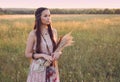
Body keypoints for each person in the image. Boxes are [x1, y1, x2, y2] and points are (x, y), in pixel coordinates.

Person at [25, 7, 62, 82]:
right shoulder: (33, 34)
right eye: (45, 16)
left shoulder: (54, 32)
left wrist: (58, 53)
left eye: (49, 16)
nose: (48, 18)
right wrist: (42, 55)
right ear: (39, 18)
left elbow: (57, 50)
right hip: (38, 69)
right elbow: (27, 54)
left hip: (52, 68)